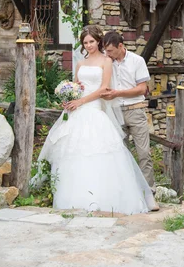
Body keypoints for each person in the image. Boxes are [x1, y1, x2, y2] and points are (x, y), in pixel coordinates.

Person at [35, 25, 157, 214]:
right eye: (85, 42)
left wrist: (82, 100)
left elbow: (103, 89)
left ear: (98, 41)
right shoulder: (80, 63)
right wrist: (69, 99)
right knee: (74, 151)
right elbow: (76, 84)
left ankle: (143, 195)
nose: (89, 45)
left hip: (97, 108)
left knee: (121, 153)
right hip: (79, 109)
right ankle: (76, 196)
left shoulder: (107, 61)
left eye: (91, 41)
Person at [102, 31, 157, 200]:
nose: (107, 54)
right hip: (115, 112)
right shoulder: (107, 62)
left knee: (144, 153)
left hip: (135, 110)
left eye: (110, 51)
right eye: (105, 50)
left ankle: (149, 193)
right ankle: (127, 193)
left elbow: (142, 89)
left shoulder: (137, 61)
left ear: (120, 46)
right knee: (121, 154)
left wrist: (118, 93)